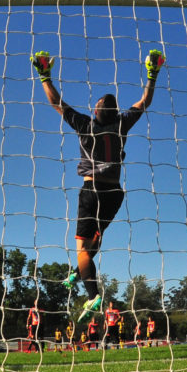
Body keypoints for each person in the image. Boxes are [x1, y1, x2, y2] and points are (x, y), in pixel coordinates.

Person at [32, 48, 165, 322]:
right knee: (94, 240)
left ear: (94, 111)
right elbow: (144, 101)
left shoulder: (85, 125)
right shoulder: (122, 125)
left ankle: (92, 295)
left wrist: (44, 75)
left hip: (92, 192)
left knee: (83, 248)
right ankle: (77, 271)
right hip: (115, 193)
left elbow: (57, 102)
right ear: (116, 113)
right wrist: (152, 74)